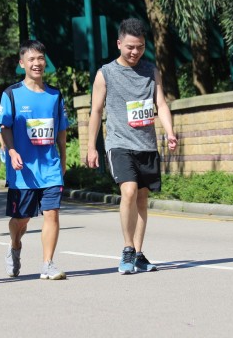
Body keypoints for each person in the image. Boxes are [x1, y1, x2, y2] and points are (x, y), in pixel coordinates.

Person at [86, 18, 178, 274]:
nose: (135, 52)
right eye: (130, 47)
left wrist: (170, 132)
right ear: (119, 44)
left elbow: (161, 104)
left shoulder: (151, 71)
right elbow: (95, 111)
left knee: (142, 198)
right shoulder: (105, 74)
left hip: (146, 145)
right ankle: (127, 248)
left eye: (140, 47)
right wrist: (91, 146)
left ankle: (138, 253)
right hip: (119, 144)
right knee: (128, 191)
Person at [0, 39, 68, 280]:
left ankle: (47, 264)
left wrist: (63, 159)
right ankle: (15, 245)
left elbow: (61, 130)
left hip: (50, 167)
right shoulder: (12, 94)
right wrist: (11, 151)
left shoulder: (55, 95)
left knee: (52, 213)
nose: (37, 63)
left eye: (40, 58)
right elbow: (4, 127)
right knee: (21, 219)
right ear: (22, 63)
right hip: (22, 169)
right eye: (31, 59)